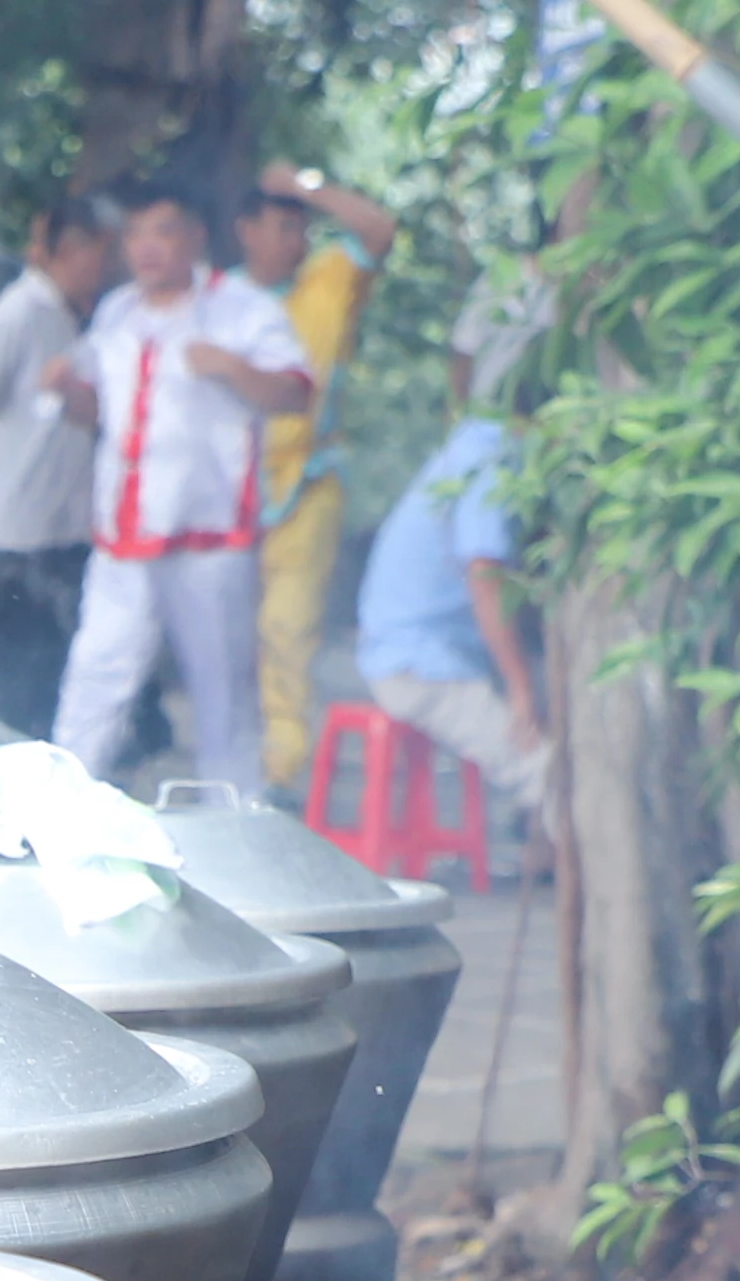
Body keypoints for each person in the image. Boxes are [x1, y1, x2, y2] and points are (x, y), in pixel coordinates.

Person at [44, 185, 310, 793]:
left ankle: (236, 825)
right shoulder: (115, 312)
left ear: (195, 237)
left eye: (163, 233)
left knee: (222, 692)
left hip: (209, 535)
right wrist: (65, 391)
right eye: (137, 235)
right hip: (124, 535)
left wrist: (233, 368)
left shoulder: (241, 309)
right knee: (94, 675)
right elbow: (96, 414)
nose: (148, 249)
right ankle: (58, 816)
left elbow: (297, 394)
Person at [234, 163, 405, 790]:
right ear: (244, 231)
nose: (292, 241)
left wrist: (305, 187)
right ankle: (231, 770)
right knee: (227, 633)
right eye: (278, 226)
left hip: (307, 483)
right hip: (226, 490)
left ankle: (280, 775)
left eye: (298, 228)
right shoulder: (215, 297)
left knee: (288, 628)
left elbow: (380, 229)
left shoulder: (328, 279)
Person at [351, 306, 550, 826]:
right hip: (420, 665)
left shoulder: (476, 442)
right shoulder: (494, 461)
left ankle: (547, 855)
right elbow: (486, 578)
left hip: (424, 654)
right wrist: (521, 692)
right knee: (547, 773)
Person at [0, 194, 111, 764]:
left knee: (44, 667)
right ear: (71, 250)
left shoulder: (70, 318)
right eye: (98, 251)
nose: (106, 266)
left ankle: (32, 782)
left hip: (58, 525)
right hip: (8, 527)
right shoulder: (12, 316)